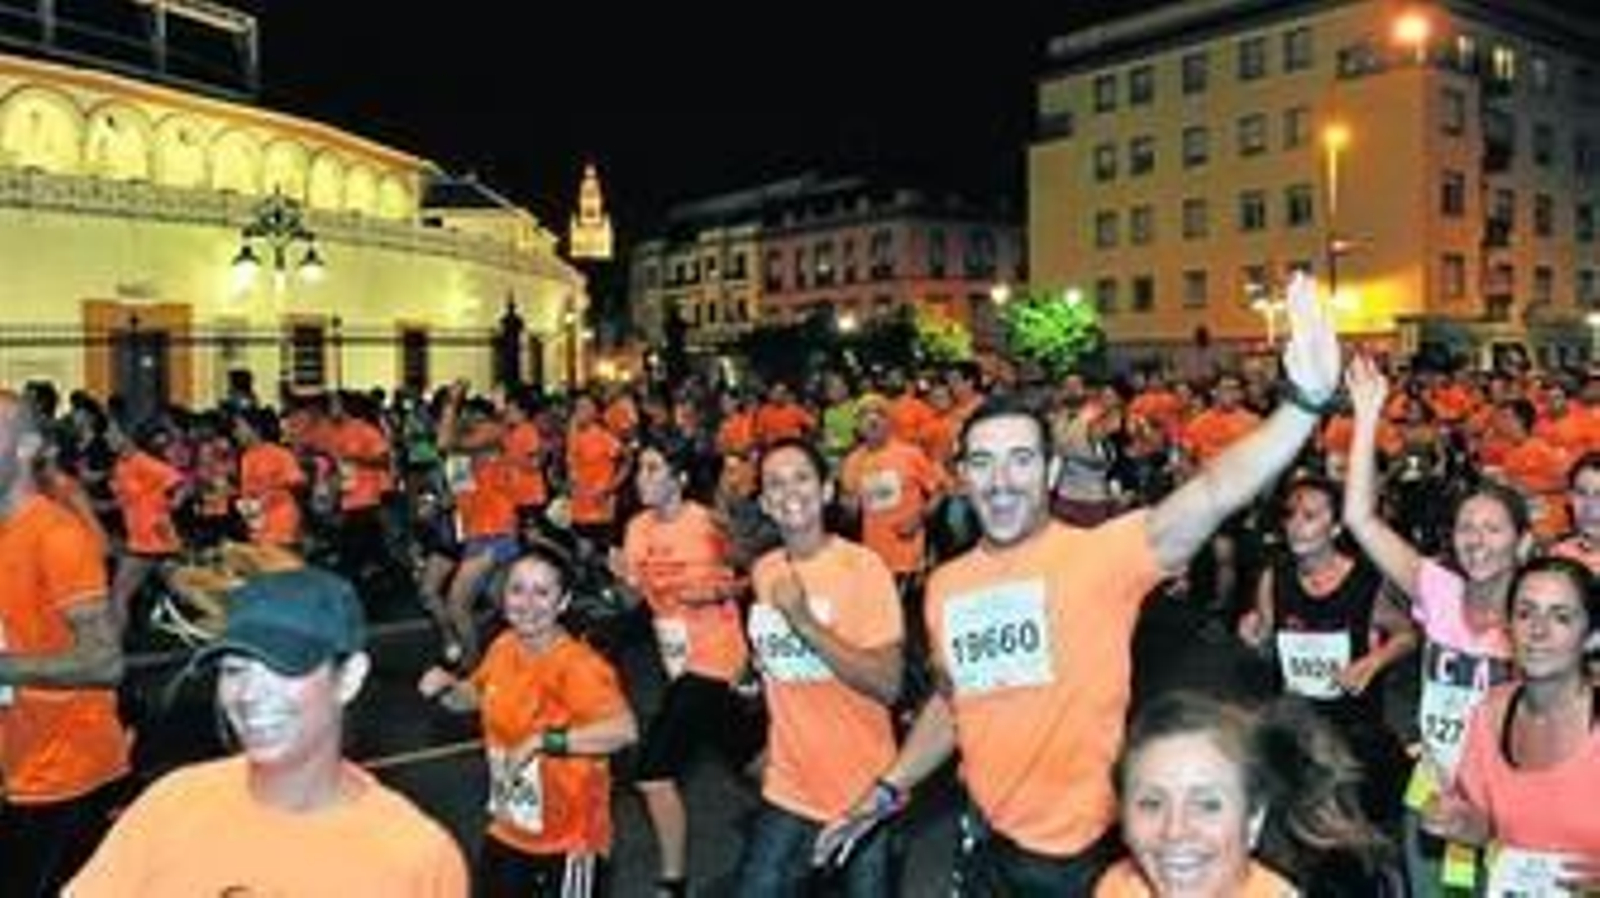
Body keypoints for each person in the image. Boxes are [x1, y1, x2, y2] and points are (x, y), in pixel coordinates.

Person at [816, 272, 1343, 893]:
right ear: (961, 477)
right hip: (985, 847)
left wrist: (1302, 405)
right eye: (982, 463)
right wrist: (887, 788)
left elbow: (1211, 492)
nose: (1002, 480)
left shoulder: (1101, 556)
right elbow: (955, 702)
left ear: (1053, 471)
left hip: (1080, 866)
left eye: (1021, 460)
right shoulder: (947, 586)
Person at [66, 566, 468, 895]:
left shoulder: (415, 858)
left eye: (282, 667)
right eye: (235, 669)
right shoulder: (170, 805)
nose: (249, 694)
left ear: (349, 678)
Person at [1341, 355, 1523, 891]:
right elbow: (1359, 518)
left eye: (1493, 529)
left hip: (1509, 802)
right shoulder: (1439, 588)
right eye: (1467, 527)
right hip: (1435, 789)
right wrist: (1369, 413)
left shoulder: (1542, 609)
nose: (1476, 539)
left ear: (1523, 541)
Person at [735, 438, 904, 896]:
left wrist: (804, 623)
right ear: (766, 504)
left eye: (802, 477)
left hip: (862, 789)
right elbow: (773, 664)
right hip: (788, 784)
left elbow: (888, 684)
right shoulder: (765, 570)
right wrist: (752, 672)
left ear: (826, 490)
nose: (790, 491)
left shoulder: (863, 567)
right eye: (775, 483)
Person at [420, 543, 638, 897]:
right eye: (517, 590)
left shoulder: (579, 666)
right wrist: (446, 689)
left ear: (563, 603)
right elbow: (476, 696)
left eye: (542, 592)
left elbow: (623, 731)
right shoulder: (504, 646)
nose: (527, 604)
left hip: (570, 841)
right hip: (510, 827)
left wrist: (541, 741)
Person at [611, 438, 764, 896]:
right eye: (640, 468)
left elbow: (757, 573)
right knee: (749, 758)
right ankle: (811, 806)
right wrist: (622, 581)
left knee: (653, 770)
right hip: (675, 660)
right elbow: (634, 600)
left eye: (654, 468)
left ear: (678, 479)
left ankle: (672, 882)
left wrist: (718, 593)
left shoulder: (708, 523)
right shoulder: (637, 528)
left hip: (718, 656)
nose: (643, 477)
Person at [0, 390, 131, 897]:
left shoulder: (57, 535)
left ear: (28, 447)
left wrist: (5, 668)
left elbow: (104, 662)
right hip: (21, 760)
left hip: (68, 771)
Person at [1237, 475, 1416, 825]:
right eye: (1291, 515)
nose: (1295, 526)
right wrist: (1255, 640)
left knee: (1359, 827)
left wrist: (1372, 661)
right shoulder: (1274, 577)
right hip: (1297, 725)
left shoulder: (1366, 582)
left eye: (1310, 516)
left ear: (1334, 528)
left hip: (1353, 730)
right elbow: (1270, 650)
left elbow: (1408, 635)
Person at [1094, 691, 1391, 897]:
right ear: (1122, 816)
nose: (1175, 830)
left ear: (1253, 820)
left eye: (1208, 805)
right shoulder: (1118, 887)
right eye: (1151, 803)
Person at [1422, 556, 1600, 895]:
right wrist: (1462, 823)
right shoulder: (1489, 713)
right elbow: (1490, 830)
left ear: (1591, 636)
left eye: (1561, 617)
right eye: (1525, 613)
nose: (1538, 630)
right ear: (1507, 628)